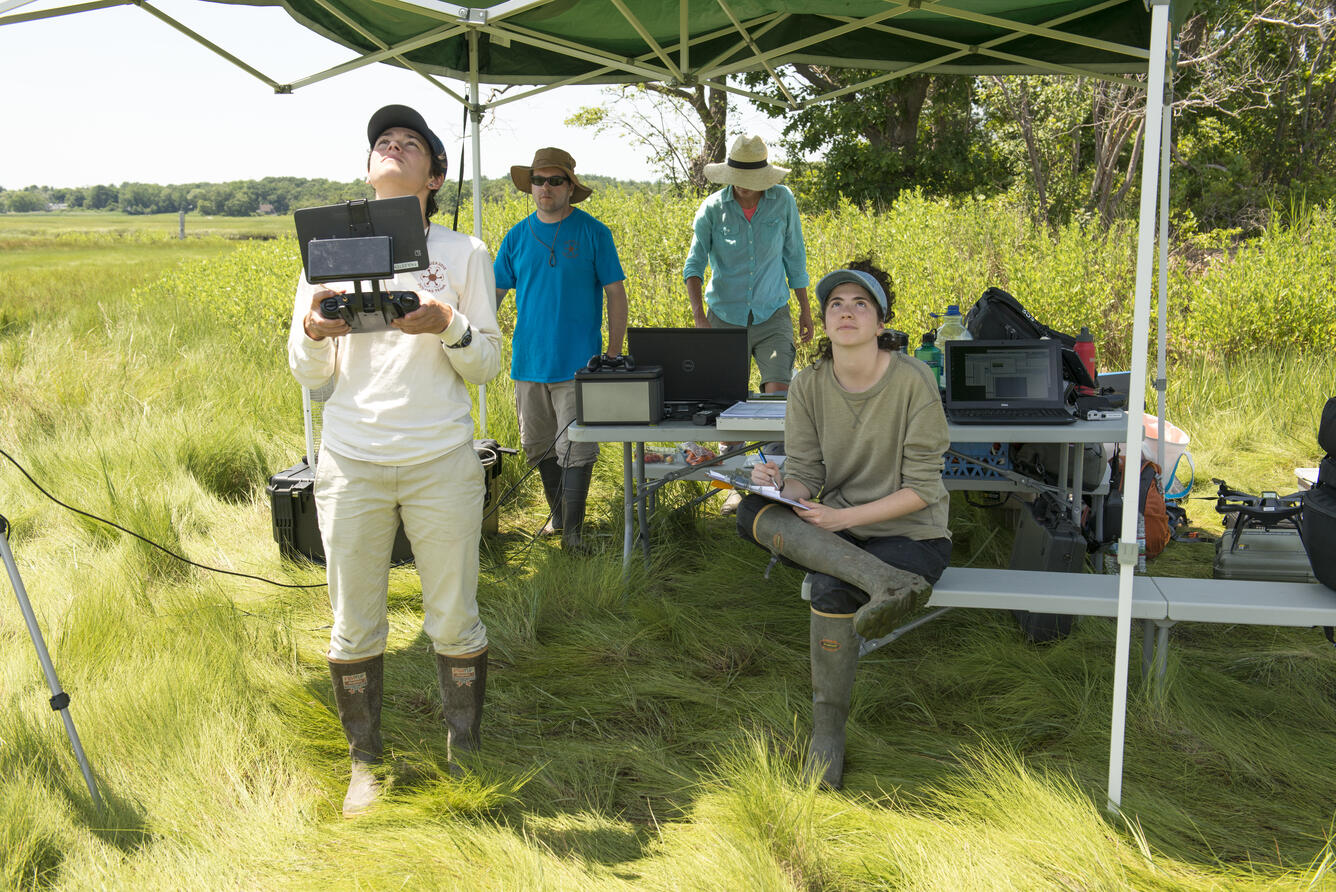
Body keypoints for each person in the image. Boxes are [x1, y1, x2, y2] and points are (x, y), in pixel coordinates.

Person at [287, 104, 503, 817]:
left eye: (411, 141)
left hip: (440, 456)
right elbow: (310, 375)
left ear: (434, 176)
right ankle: (365, 762)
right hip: (350, 459)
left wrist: (447, 324)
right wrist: (318, 331)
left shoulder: (466, 251)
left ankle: (464, 749)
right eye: (383, 139)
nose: (394, 143)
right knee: (353, 620)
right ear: (367, 167)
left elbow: (487, 367)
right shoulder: (323, 253)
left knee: (453, 615)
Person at [736, 264, 952, 790]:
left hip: (913, 533)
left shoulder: (913, 380)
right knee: (748, 510)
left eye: (861, 303)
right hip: (840, 531)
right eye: (835, 303)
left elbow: (923, 488)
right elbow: (807, 472)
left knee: (832, 590)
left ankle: (826, 736)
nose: (846, 311)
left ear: (881, 323)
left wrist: (840, 519)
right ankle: (885, 587)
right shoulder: (808, 384)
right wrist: (779, 487)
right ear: (825, 322)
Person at [494, 147, 628, 551]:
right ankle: (558, 518)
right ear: (530, 186)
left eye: (555, 180)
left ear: (571, 186)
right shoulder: (516, 237)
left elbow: (616, 295)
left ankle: (573, 534)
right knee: (538, 447)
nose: (545, 187)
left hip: (579, 365)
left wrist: (615, 351)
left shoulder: (594, 233)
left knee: (578, 449)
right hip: (528, 364)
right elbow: (492, 296)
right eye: (538, 180)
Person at [682, 134, 812, 514]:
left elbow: (795, 256)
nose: (746, 186)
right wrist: (699, 318)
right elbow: (694, 266)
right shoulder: (711, 209)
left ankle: (772, 479)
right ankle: (733, 483)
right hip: (724, 313)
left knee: (776, 395)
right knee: (729, 400)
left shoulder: (783, 200)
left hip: (773, 311)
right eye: (739, 176)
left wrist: (805, 310)